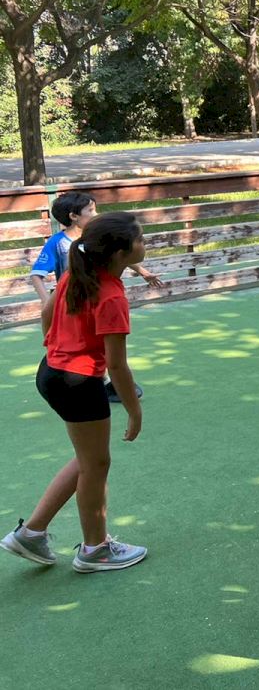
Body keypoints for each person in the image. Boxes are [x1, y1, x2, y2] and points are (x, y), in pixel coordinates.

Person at [2, 212, 149, 573]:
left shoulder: (77, 274)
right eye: (140, 239)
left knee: (89, 460)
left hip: (51, 373)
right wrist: (134, 411)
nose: (145, 243)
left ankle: (31, 533)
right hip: (78, 383)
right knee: (97, 464)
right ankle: (95, 549)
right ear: (119, 253)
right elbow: (116, 365)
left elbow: (47, 311)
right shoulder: (111, 296)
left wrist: (55, 346)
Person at [30, 191, 163, 305]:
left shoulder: (97, 237)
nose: (96, 214)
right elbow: (36, 275)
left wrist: (143, 272)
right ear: (74, 216)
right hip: (73, 303)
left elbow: (117, 254)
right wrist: (46, 301)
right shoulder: (57, 242)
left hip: (99, 298)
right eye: (90, 210)